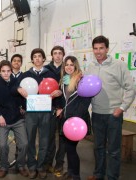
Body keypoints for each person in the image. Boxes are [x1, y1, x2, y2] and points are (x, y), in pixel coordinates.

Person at [86, 35, 135, 180]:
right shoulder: (91, 66)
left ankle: (112, 177)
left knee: (113, 150)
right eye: (95, 48)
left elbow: (130, 89)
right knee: (98, 148)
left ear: (107, 48)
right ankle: (98, 174)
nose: (98, 51)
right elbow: (87, 88)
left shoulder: (118, 65)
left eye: (101, 48)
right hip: (96, 113)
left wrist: (121, 108)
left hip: (113, 115)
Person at [16, 48, 58, 179]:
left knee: (44, 141)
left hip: (46, 112)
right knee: (30, 140)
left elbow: (57, 89)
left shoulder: (51, 74)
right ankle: (32, 167)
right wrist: (18, 89)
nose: (37, 58)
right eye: (35, 56)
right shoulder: (26, 75)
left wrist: (59, 94)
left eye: (40, 56)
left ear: (44, 59)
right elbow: (17, 88)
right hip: (31, 113)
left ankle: (41, 167)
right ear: (32, 59)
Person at [0, 60, 28, 178]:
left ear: (11, 71)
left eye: (8, 71)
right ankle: (4, 166)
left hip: (17, 118)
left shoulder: (16, 82)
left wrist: (23, 107)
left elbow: (23, 96)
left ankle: (20, 165)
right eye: (3, 71)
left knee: (24, 144)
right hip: (2, 119)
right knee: (3, 145)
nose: (6, 73)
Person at [59, 56, 91, 180]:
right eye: (66, 65)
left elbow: (86, 101)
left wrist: (76, 118)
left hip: (76, 121)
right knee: (68, 147)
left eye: (71, 65)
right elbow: (64, 101)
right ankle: (71, 172)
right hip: (66, 120)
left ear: (76, 66)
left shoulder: (81, 81)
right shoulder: (64, 80)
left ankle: (76, 176)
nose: (69, 67)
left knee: (71, 149)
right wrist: (59, 109)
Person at [44, 46, 66, 174]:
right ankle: (47, 162)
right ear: (52, 55)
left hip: (64, 107)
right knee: (50, 136)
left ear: (63, 55)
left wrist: (61, 107)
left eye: (60, 53)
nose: (57, 55)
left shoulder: (67, 68)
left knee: (63, 137)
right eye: (55, 53)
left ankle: (59, 163)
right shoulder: (46, 69)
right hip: (50, 107)